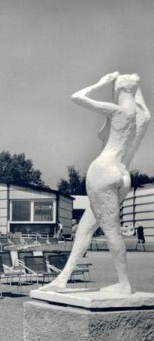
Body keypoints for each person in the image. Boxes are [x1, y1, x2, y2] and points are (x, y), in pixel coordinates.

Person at [41, 72, 151, 294]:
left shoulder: (117, 111)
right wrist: (134, 87)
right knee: (84, 229)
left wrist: (101, 82)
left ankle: (123, 283)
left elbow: (77, 96)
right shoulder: (141, 117)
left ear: (118, 89)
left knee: (111, 231)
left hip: (103, 172)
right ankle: (63, 278)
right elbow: (144, 109)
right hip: (122, 173)